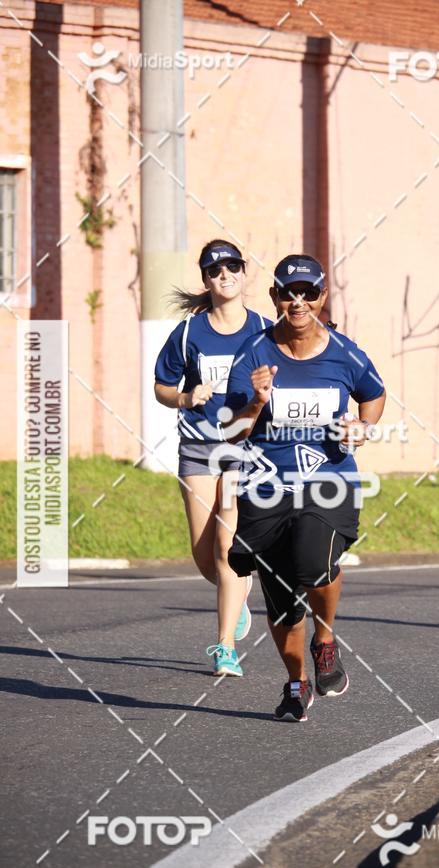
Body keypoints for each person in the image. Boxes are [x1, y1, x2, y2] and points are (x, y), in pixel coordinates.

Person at [224, 253, 386, 721]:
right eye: (288, 293)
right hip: (266, 488)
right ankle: (295, 684)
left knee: (316, 563)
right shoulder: (253, 353)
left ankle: (326, 636)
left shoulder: (344, 352)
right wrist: (255, 402)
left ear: (321, 297)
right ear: (275, 297)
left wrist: (362, 426)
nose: (298, 302)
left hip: (328, 482)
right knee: (280, 599)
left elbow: (373, 395)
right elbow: (231, 433)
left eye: (307, 293)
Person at [154, 239, 271, 676]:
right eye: (215, 269)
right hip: (199, 446)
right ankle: (236, 594)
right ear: (205, 279)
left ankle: (224, 647)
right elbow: (162, 387)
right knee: (205, 556)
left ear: (243, 274)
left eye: (233, 267)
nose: (225, 275)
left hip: (245, 448)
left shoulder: (263, 329)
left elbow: (291, 369)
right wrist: (185, 396)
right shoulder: (188, 333)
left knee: (227, 549)